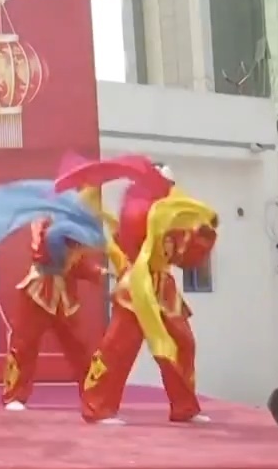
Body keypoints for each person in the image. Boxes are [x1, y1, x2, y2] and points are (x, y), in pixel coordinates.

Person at [80, 182, 217, 425]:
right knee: (117, 348)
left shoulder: (175, 219)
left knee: (183, 344)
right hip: (136, 287)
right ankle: (97, 407)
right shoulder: (140, 217)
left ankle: (184, 407)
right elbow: (128, 245)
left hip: (163, 288)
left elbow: (187, 256)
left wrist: (203, 230)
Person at [0, 210, 106, 411]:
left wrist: (98, 271)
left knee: (81, 347)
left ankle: (94, 396)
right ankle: (14, 394)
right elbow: (42, 254)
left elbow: (79, 262)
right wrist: (67, 246)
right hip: (38, 292)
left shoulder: (74, 225)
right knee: (24, 345)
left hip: (65, 298)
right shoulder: (42, 224)